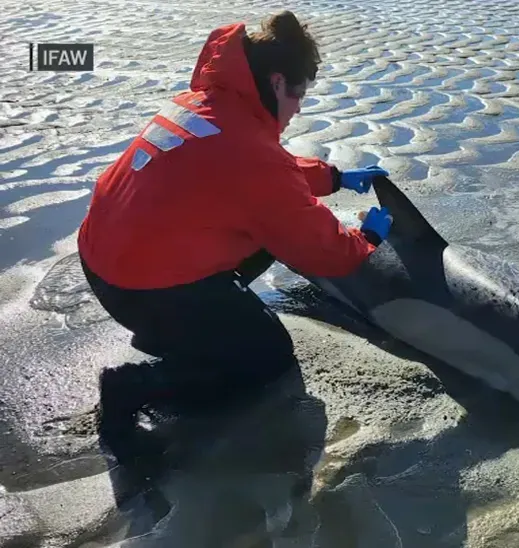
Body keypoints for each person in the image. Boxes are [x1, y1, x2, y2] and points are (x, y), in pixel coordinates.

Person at [76, 10, 390, 509]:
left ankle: (186, 327)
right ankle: (133, 386)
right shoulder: (248, 149)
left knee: (262, 233)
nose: (296, 111)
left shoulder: (207, 105)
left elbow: (258, 174)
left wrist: (333, 177)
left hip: (106, 260)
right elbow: (324, 249)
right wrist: (368, 238)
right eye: (298, 97)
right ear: (277, 80)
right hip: (142, 283)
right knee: (266, 360)